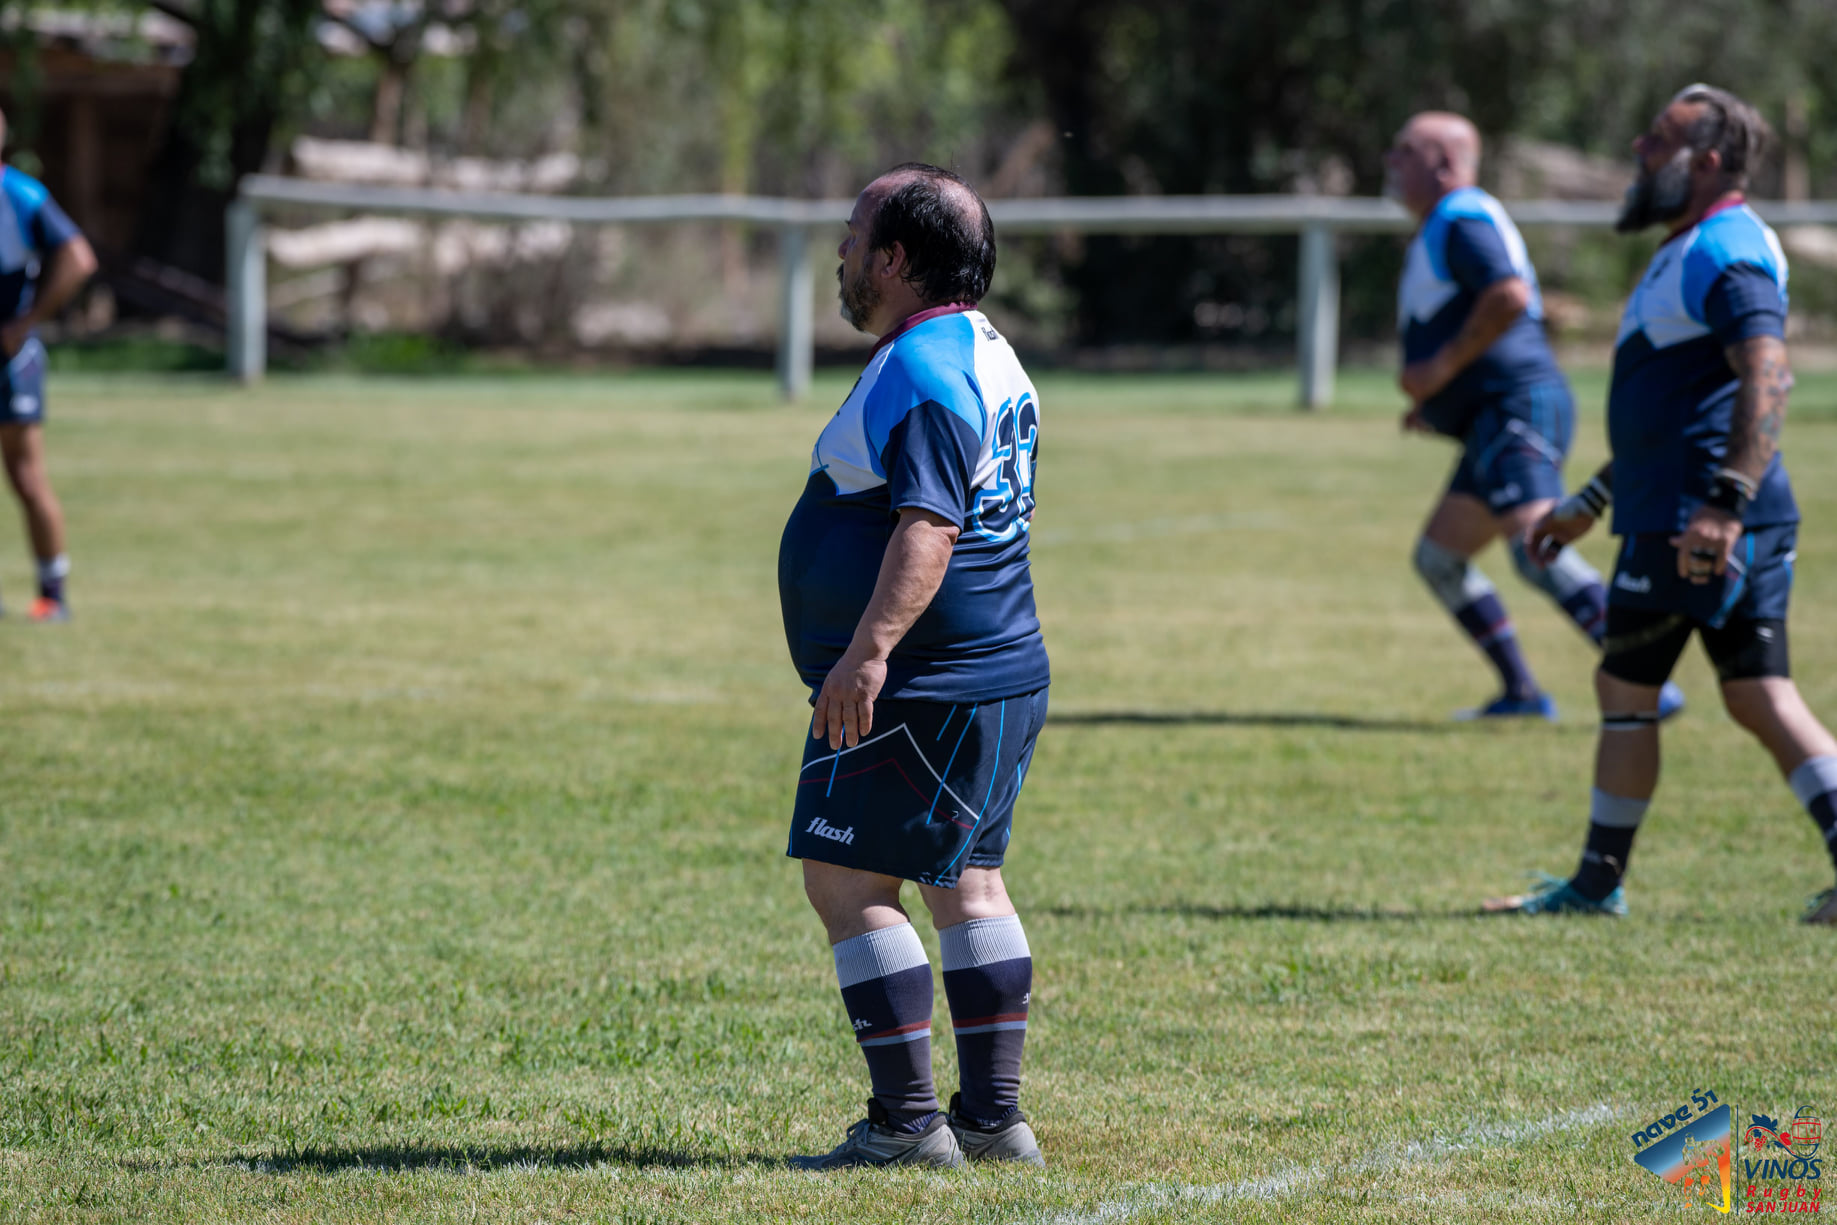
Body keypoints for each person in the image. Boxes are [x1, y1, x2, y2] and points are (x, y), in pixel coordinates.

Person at [1487, 85, 1837, 924]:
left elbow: (1765, 374)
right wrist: (1588, 502)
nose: (1640, 152)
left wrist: (1723, 501)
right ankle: (1597, 883)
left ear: (1707, 161)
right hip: (1699, 509)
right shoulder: (1691, 248)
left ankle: (1595, 884)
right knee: (1757, 693)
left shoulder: (1725, 250)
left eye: (1659, 141)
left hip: (1694, 521)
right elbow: (1673, 414)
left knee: (1625, 687)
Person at [777, 163, 1050, 1168]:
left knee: (848, 882)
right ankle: (993, 1118)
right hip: (995, 672)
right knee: (968, 883)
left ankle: (905, 1126)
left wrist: (865, 654)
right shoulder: (984, 350)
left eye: (854, 235)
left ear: (894, 258)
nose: (843, 252)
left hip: (922, 683)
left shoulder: (923, 369)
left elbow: (929, 528)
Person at [1386, 112, 1680, 720]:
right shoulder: (1444, 225)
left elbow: (1508, 296)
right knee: (1438, 559)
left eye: (1404, 152)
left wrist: (1439, 371)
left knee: (1533, 547)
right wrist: (1436, 402)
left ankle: (1647, 678)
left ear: (1443, 162)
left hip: (1517, 406)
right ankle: (1521, 694)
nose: (1391, 164)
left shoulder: (1461, 217)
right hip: (1495, 414)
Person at [0, 109, 93, 622]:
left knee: (25, 475)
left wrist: (28, 321)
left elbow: (78, 258)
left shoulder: (19, 195)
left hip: (10, 358)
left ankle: (52, 594)